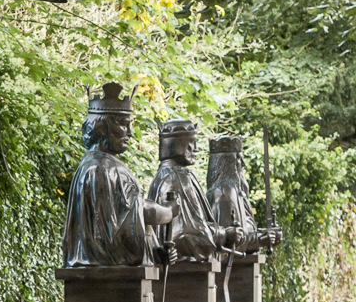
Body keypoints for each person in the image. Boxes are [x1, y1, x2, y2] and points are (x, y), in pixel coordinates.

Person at [62, 82, 173, 267]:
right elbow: (135, 213)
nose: (129, 132)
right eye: (123, 125)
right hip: (110, 273)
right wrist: (168, 212)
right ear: (102, 126)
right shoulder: (104, 168)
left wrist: (154, 252)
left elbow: (120, 227)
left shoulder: (91, 165)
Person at [149, 119, 238, 261]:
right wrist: (224, 234)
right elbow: (186, 235)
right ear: (176, 145)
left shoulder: (175, 175)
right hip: (186, 272)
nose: (195, 148)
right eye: (190, 143)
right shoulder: (175, 178)